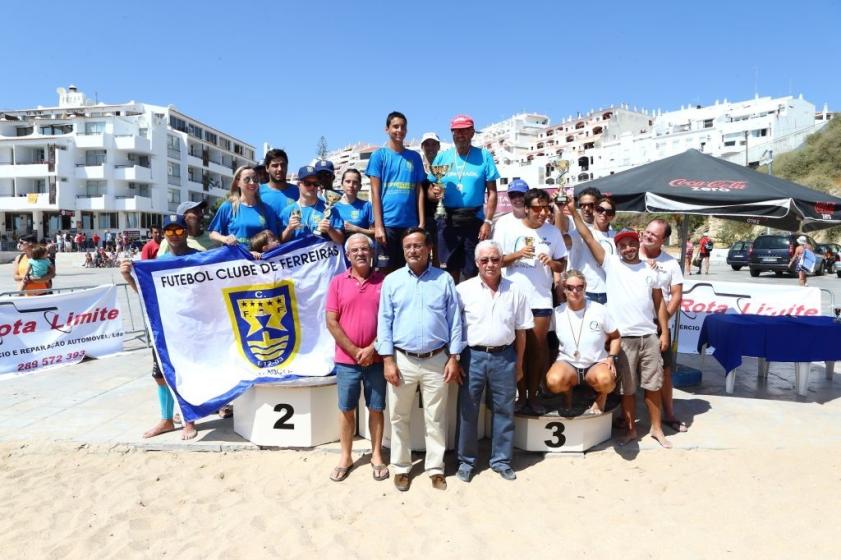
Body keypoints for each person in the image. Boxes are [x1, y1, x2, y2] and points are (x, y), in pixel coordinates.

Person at [567, 197, 671, 447]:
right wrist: (573, 211)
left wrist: (664, 333)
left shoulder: (650, 270)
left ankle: (657, 429)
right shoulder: (611, 264)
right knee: (627, 389)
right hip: (623, 339)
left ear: (637, 245)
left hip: (648, 337)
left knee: (653, 386)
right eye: (622, 245)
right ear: (618, 248)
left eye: (630, 244)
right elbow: (588, 237)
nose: (627, 248)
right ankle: (632, 430)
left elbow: (660, 304)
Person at [376, 228, 463, 492]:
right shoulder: (392, 281)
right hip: (402, 359)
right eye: (408, 246)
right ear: (403, 250)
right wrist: (388, 360)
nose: (413, 251)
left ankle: (435, 468)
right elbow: (384, 322)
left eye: (417, 246)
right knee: (399, 416)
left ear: (429, 249)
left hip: (437, 358)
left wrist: (454, 357)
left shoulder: (444, 279)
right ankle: (402, 467)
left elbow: (455, 321)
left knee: (436, 417)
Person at [455, 240, 532, 482]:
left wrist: (519, 364)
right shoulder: (463, 290)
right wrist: (455, 359)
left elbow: (521, 331)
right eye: (485, 260)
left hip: (504, 356)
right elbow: (455, 329)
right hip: (472, 357)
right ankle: (466, 462)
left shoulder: (515, 290)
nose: (490, 264)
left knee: (504, 410)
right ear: (477, 263)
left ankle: (501, 460)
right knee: (468, 411)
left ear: (502, 261)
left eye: (495, 259)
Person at [120, 214, 199, 440]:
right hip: (164, 326)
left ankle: (188, 420)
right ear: (164, 234)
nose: (174, 235)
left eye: (179, 230)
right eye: (169, 231)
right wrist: (128, 276)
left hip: (190, 325)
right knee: (160, 374)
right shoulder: (158, 261)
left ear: (186, 232)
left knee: (186, 373)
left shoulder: (199, 258)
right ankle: (166, 419)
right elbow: (147, 297)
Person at [494, 188, 567, 415]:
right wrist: (518, 255)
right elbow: (496, 261)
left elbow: (562, 264)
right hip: (512, 298)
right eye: (537, 208)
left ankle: (533, 396)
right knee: (518, 351)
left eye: (546, 208)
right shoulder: (507, 228)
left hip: (541, 299)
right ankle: (520, 395)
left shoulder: (553, 232)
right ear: (526, 208)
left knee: (537, 350)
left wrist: (551, 263)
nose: (543, 212)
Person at [325, 234, 388, 483]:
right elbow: (331, 321)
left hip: (377, 359)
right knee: (346, 409)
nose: (360, 253)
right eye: (355, 250)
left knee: (376, 408)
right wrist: (354, 351)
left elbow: (389, 321)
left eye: (365, 248)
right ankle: (346, 456)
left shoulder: (385, 282)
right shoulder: (337, 282)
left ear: (371, 252)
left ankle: (376, 455)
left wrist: (372, 349)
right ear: (347, 255)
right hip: (346, 360)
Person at [428, 115, 499, 283]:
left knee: (473, 271)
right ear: (452, 133)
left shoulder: (484, 156)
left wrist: (487, 221)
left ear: (472, 132)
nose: (460, 134)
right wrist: (435, 193)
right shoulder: (442, 157)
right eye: (456, 131)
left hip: (474, 220)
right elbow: (430, 191)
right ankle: (450, 306)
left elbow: (493, 193)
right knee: (447, 270)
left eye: (465, 131)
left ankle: (470, 308)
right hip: (447, 220)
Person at [545, 270, 620, 415]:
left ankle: (601, 397)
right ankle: (567, 396)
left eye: (579, 287)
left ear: (585, 287)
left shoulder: (599, 310)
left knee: (606, 381)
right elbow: (544, 338)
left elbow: (616, 337)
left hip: (595, 364)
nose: (575, 291)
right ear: (564, 288)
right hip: (568, 363)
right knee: (553, 381)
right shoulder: (556, 313)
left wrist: (611, 357)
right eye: (570, 287)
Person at [641, 218, 687, 433]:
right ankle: (625, 417)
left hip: (659, 325)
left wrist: (663, 323)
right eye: (647, 231)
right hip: (632, 323)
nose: (648, 236)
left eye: (654, 235)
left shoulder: (671, 263)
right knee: (627, 371)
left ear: (663, 239)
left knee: (665, 371)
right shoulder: (630, 255)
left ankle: (669, 413)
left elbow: (676, 296)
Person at [365, 111, 426, 272]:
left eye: (403, 127)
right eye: (395, 126)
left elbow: (419, 191)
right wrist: (378, 226)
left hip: (410, 225)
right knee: (386, 272)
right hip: (388, 225)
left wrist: (421, 222)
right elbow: (375, 192)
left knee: (412, 268)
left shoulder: (415, 157)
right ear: (387, 129)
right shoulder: (379, 155)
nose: (399, 130)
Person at [558, 187, 616, 304]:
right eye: (582, 205)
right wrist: (558, 210)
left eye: (591, 205)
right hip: (582, 290)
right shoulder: (576, 227)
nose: (586, 209)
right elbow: (560, 241)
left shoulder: (613, 233)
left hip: (609, 291)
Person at [209, 166, 278, 248]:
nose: (252, 182)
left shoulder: (267, 209)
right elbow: (213, 234)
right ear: (237, 182)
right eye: (247, 179)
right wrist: (225, 239)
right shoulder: (228, 206)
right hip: (235, 259)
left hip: (260, 260)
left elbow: (275, 238)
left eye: (255, 179)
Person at [279, 166, 344, 245]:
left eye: (315, 183)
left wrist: (330, 229)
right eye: (307, 183)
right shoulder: (287, 211)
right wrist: (289, 229)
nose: (312, 187)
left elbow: (340, 241)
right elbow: (280, 243)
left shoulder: (330, 209)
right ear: (299, 184)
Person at [420, 132, 442, 262]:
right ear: (422, 147)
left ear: (438, 147)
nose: (430, 147)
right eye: (427, 144)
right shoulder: (418, 169)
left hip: (442, 217)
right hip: (424, 218)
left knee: (440, 256)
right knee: (423, 255)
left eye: (434, 144)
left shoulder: (446, 168)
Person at [334, 169, 374, 238]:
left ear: (360, 187)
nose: (351, 185)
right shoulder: (334, 207)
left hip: (361, 247)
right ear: (342, 184)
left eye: (355, 182)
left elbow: (376, 233)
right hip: (341, 248)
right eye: (348, 181)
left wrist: (357, 229)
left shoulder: (367, 206)